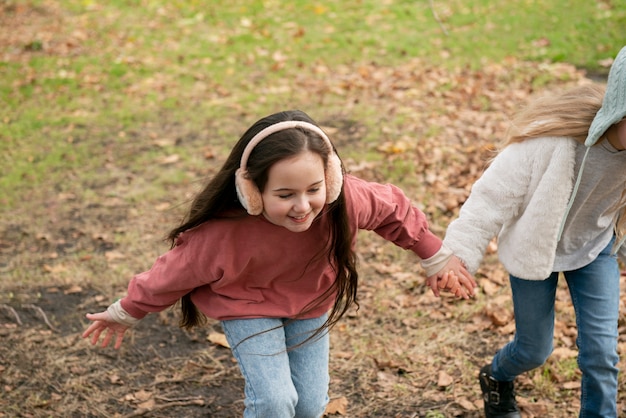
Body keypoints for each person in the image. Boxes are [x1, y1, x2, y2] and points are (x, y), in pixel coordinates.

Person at [82, 109, 476, 418]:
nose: (302, 206)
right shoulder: (222, 234)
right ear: (252, 192)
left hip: (310, 303)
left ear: (332, 178)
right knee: (275, 402)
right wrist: (127, 311)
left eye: (313, 189)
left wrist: (435, 256)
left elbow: (394, 210)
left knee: (307, 406)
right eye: (285, 194)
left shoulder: (346, 200)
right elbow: (170, 274)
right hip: (246, 304)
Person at [443, 46, 626, 418]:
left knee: (601, 354)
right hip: (535, 250)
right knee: (533, 349)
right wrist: (458, 253)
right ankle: (496, 376)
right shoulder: (552, 144)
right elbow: (490, 198)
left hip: (594, 249)